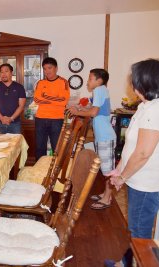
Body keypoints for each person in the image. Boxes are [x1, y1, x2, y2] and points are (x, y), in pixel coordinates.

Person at [105, 59, 159, 267]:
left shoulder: (158, 110)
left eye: (135, 81)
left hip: (149, 183)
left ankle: (133, 263)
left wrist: (122, 177)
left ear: (148, 82)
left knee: (139, 232)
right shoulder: (147, 106)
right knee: (136, 229)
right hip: (140, 180)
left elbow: (143, 153)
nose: (133, 86)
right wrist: (119, 169)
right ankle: (126, 262)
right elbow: (131, 146)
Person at [68, 68, 116, 210]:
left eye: (90, 78)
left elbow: (94, 112)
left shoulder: (99, 90)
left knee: (108, 171)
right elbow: (93, 108)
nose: (88, 81)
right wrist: (80, 108)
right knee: (106, 168)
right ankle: (105, 194)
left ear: (99, 80)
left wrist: (77, 111)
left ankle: (107, 198)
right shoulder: (101, 91)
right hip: (103, 136)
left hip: (105, 137)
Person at [34, 57, 70, 160]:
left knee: (57, 148)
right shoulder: (41, 83)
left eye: (49, 68)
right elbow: (37, 99)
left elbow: (64, 101)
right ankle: (39, 172)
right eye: (45, 69)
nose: (47, 71)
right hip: (40, 118)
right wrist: (55, 100)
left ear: (56, 68)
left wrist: (45, 97)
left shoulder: (63, 82)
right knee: (40, 148)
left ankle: (55, 173)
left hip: (57, 119)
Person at [0, 63, 26, 134]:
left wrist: (11, 118)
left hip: (15, 123)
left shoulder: (19, 87)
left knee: (16, 144)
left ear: (11, 73)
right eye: (2, 72)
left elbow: (21, 106)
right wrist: (2, 118)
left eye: (6, 71)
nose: (3, 74)